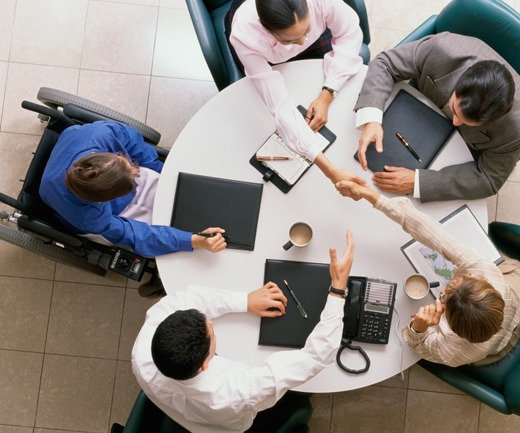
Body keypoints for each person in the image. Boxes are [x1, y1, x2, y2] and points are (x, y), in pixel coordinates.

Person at [131, 231, 354, 433]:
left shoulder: (142, 353)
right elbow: (316, 356)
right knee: (303, 391)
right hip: (237, 425)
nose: (211, 324)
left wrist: (245, 301)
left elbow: (183, 300)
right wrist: (337, 290)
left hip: (180, 409)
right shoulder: (240, 390)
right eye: (212, 334)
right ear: (204, 364)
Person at [336, 180, 520, 366]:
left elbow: (417, 345)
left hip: (493, 348)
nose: (445, 289)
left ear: (449, 320)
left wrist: (418, 329)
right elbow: (432, 232)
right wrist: (372, 196)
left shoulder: (453, 350)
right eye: (466, 278)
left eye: (444, 295)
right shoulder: (486, 274)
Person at [354, 32, 520, 203]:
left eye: (466, 122)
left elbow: (489, 179)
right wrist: (371, 117)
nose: (455, 122)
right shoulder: (441, 49)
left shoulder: (517, 129)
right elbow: (385, 64)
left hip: (456, 155)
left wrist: (418, 183)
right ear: (459, 82)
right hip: (413, 112)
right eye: (455, 110)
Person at [228, 0, 366, 187]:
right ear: (264, 26)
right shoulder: (245, 35)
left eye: (306, 30)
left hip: (318, 40)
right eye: (289, 40)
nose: (302, 43)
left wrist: (327, 94)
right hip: (266, 57)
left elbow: (350, 32)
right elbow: (280, 107)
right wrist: (330, 170)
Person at [40, 121, 226, 258]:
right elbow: (135, 234)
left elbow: (136, 145)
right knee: (166, 246)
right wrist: (192, 240)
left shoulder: (102, 133)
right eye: (133, 177)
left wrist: (167, 174)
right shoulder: (89, 215)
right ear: (102, 201)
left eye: (125, 161)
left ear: (98, 155)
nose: (137, 171)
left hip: (95, 180)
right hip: (116, 214)